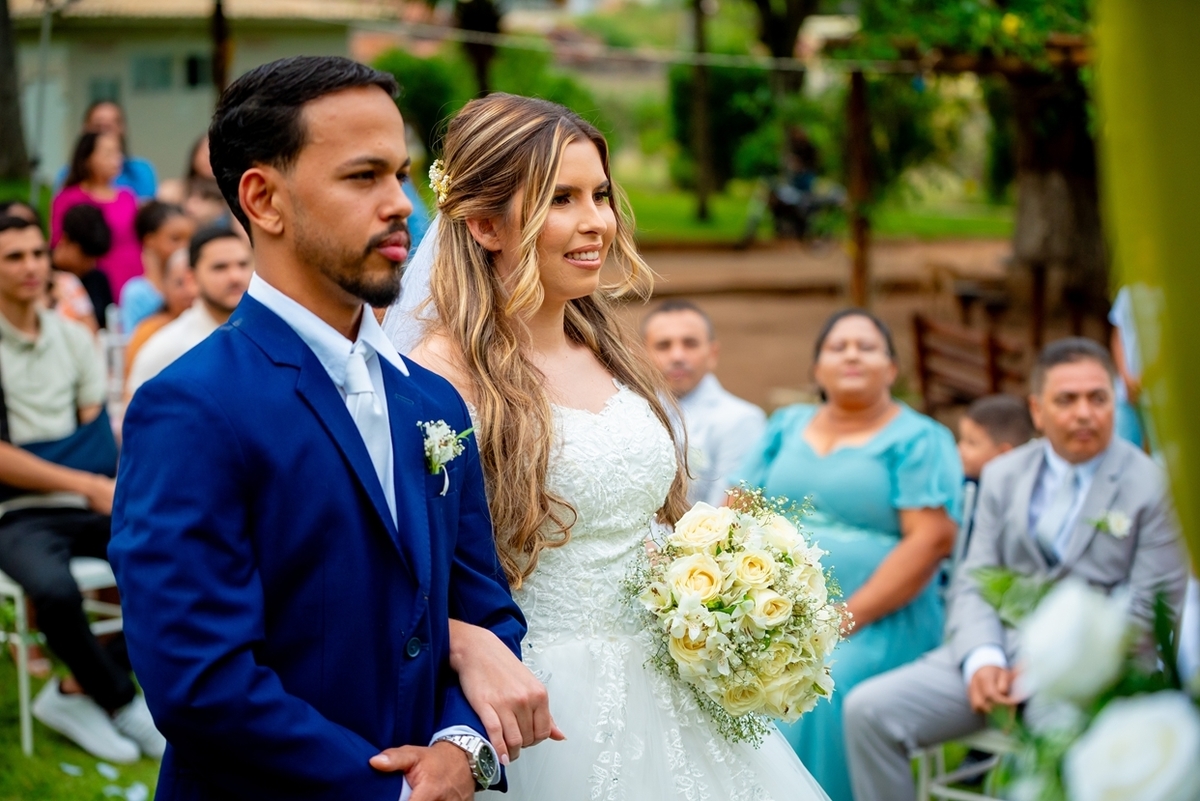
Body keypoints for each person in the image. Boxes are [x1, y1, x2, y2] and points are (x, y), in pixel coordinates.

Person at [109, 55, 531, 801]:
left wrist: (461, 745)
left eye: (401, 174)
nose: (401, 202)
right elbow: (200, 679)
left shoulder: (432, 401)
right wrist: (393, 793)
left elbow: (485, 611)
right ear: (263, 198)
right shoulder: (191, 407)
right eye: (363, 176)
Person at [389, 92, 830, 800]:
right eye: (560, 199)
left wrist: (723, 590)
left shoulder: (603, 344)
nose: (596, 220)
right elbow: (410, 566)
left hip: (670, 684)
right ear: (482, 224)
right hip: (544, 698)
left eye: (598, 193)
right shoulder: (441, 377)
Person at [843, 337, 1190, 801]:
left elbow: (1153, 609)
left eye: (1098, 398)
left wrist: (1051, 668)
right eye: (1067, 400)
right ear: (1038, 409)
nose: (1084, 413)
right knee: (868, 711)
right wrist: (983, 657)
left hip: (1091, 676)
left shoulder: (1152, 485)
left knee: (1060, 760)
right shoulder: (1005, 474)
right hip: (992, 655)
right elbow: (974, 579)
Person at [729, 308, 961, 801]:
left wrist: (841, 618)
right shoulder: (785, 426)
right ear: (816, 370)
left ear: (892, 369)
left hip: (877, 621)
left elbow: (930, 540)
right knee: (720, 673)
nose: (852, 354)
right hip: (773, 613)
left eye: (868, 346)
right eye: (838, 346)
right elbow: (736, 509)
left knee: (820, 684)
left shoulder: (919, 439)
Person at [0, 215, 164, 763]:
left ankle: (75, 688)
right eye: (13, 257)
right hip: (17, 515)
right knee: (54, 591)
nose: (29, 267)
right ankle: (120, 701)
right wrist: (78, 472)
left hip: (85, 501)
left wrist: (28, 456)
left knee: (174, 558)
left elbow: (96, 441)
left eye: (35, 254)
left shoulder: (72, 336)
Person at [641, 299, 766, 506]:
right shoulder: (629, 413)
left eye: (690, 344)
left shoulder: (742, 420)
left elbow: (727, 518)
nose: (677, 356)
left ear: (712, 354)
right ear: (642, 355)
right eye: (663, 346)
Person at [125, 226, 251, 396]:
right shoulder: (165, 349)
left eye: (243, 265)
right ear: (192, 279)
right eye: (220, 268)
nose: (235, 276)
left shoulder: (271, 334)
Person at [51, 132, 143, 300]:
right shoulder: (68, 198)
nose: (117, 159)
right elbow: (59, 242)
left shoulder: (127, 196)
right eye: (108, 153)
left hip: (132, 278)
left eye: (118, 152)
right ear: (87, 158)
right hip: (93, 282)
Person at [54, 101, 157, 200]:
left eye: (110, 127)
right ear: (85, 130)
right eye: (98, 126)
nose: (105, 134)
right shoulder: (67, 175)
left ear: (123, 129)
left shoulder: (140, 172)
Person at [122, 249, 196, 385]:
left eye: (195, 281)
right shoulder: (148, 332)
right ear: (164, 286)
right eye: (180, 283)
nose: (189, 291)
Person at [120, 202, 195, 333]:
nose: (184, 246)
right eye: (175, 239)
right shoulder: (137, 292)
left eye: (190, 239)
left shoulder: (198, 283)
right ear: (150, 240)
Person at [51, 203, 114, 330]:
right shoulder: (42, 274)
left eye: (94, 259)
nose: (90, 264)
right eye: (85, 256)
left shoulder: (98, 280)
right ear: (65, 240)